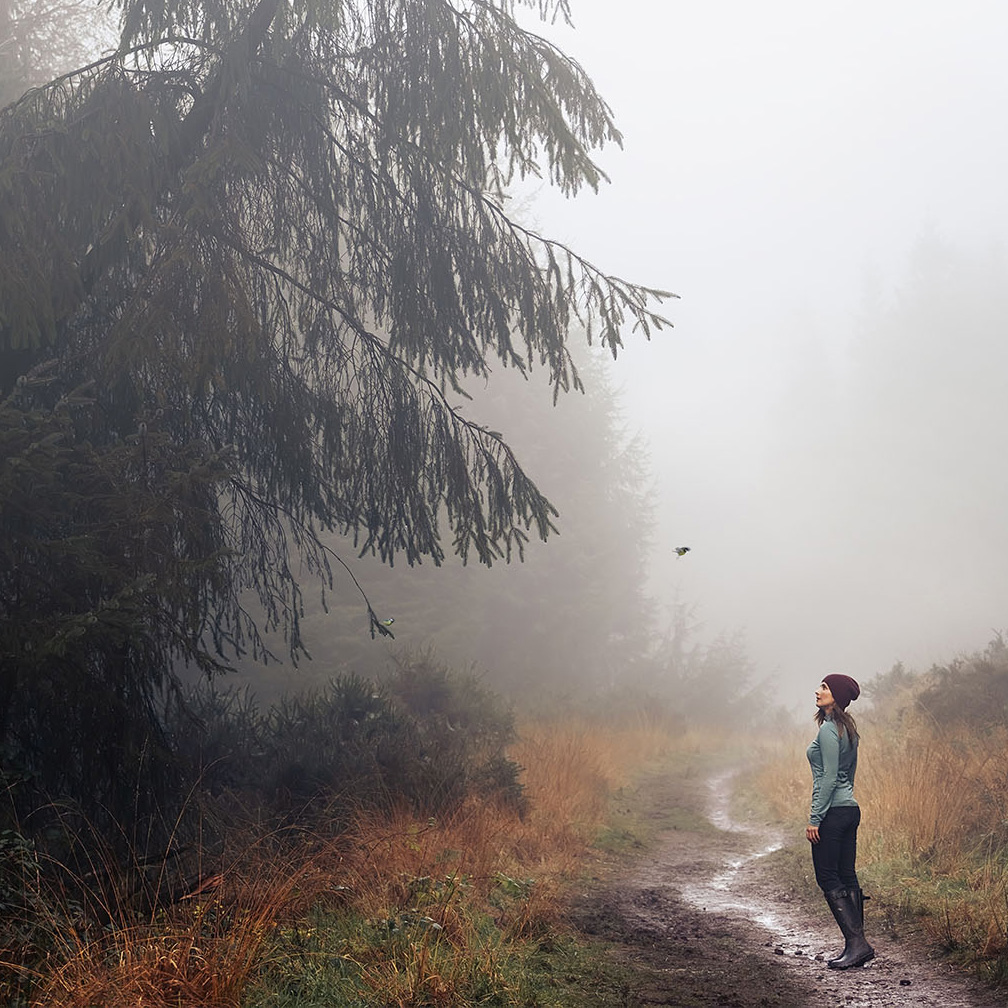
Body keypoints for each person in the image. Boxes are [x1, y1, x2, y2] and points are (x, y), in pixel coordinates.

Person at [806, 673, 874, 969]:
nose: (818, 691)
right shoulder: (850, 731)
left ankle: (856, 943)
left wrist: (815, 818)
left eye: (824, 687)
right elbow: (850, 775)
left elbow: (829, 778)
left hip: (833, 812)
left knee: (827, 876)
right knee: (847, 874)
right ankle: (858, 945)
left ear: (836, 695)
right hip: (850, 809)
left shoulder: (829, 731)